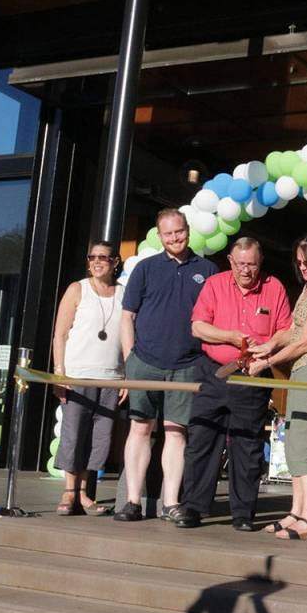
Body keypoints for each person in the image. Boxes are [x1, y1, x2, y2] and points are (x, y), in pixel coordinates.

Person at [172, 237, 291, 530]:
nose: (246, 271)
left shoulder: (274, 287)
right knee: (202, 441)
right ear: (230, 261)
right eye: (240, 264)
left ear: (260, 262)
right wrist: (230, 337)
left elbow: (287, 330)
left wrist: (268, 346)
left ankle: (243, 513)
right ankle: (193, 507)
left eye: (251, 264)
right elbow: (197, 326)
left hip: (252, 376)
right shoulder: (214, 284)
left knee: (247, 446)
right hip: (214, 372)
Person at [114, 209, 218, 522]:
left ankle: (170, 503)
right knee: (140, 428)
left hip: (187, 365)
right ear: (160, 236)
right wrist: (130, 357)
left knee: (176, 432)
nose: (174, 238)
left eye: (179, 232)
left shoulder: (208, 269)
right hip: (144, 362)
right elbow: (127, 316)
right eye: (168, 234)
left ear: (188, 230)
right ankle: (132, 501)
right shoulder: (145, 268)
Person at [249, 234, 307, 541]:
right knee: (293, 439)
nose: (302, 267)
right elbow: (291, 331)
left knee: (303, 437)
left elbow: (305, 341)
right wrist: (265, 346)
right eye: (299, 262)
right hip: (301, 369)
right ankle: (297, 511)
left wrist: (266, 363)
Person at [50, 241, 126, 516]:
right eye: (92, 256)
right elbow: (60, 334)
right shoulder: (77, 289)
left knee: (98, 438)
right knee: (73, 434)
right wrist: (59, 372)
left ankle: (84, 494)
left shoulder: (123, 293)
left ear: (115, 262)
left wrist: (126, 377)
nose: (96, 262)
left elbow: (127, 338)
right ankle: (69, 492)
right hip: (78, 375)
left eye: (103, 257)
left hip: (110, 378)